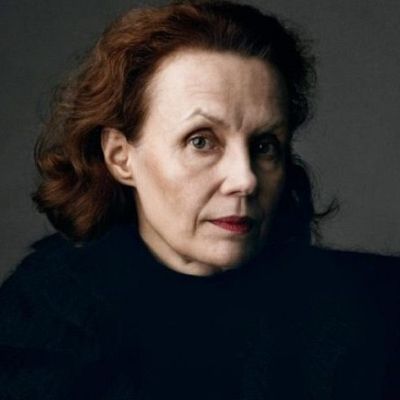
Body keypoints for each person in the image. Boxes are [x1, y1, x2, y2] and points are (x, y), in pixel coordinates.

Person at [0, 1, 398, 399]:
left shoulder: (375, 308)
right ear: (121, 157)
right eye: (201, 141)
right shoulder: (46, 317)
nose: (244, 180)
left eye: (264, 145)